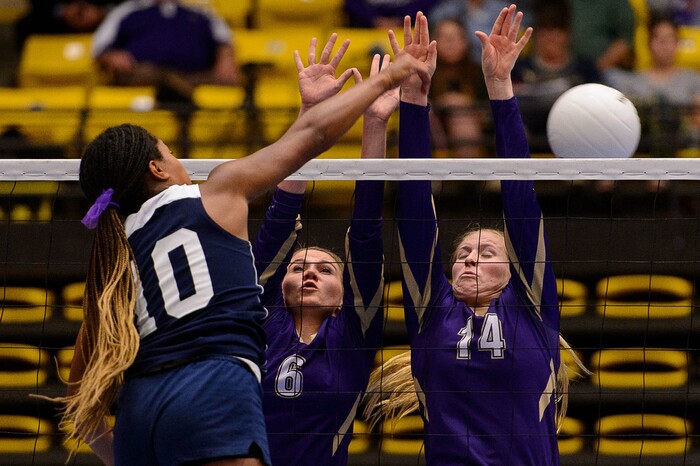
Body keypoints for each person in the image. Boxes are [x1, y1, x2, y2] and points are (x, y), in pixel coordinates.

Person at [57, 37, 430, 465]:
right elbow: (313, 137)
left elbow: (80, 402)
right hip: (212, 386)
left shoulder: (111, 257)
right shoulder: (216, 191)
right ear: (157, 170)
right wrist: (389, 74)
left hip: (141, 407)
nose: (181, 163)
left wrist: (121, 455)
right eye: (172, 154)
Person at [364, 6, 584, 464]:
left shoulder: (532, 309)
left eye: (485, 252)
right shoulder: (432, 311)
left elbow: (520, 200)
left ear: (513, 269)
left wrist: (500, 88)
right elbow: (414, 212)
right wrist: (415, 99)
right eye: (463, 252)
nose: (467, 259)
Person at [253, 33, 403, 465]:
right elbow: (278, 226)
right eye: (299, 267)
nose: (311, 272)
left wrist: (375, 125)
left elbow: (368, 233)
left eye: (326, 268)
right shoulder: (258, 321)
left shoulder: (353, 336)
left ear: (343, 297)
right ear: (280, 284)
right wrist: (309, 114)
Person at [91, 0, 241, 102]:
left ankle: (177, 89)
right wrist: (111, 56)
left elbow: (225, 39)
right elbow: (98, 47)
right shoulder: (127, 10)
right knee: (148, 73)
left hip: (194, 76)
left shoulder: (201, 11)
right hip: (144, 74)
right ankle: (180, 93)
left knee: (230, 80)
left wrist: (226, 58)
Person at [605, 13, 700, 158]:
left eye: (669, 39)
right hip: (640, 139)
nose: (664, 45)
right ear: (649, 43)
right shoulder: (631, 81)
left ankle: (657, 175)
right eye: (658, 39)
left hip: (681, 139)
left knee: (666, 118)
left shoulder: (694, 80)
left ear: (677, 42)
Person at [512, 0, 601, 152]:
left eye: (557, 31)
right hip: (529, 134)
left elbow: (598, 104)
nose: (551, 37)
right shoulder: (518, 67)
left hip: (578, 133)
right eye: (546, 31)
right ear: (536, 35)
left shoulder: (585, 68)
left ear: (568, 35)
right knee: (510, 129)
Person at [429, 16, 488, 158]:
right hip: (431, 127)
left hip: (476, 128)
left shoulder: (479, 72)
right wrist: (443, 104)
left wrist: (465, 104)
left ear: (465, 41)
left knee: (462, 119)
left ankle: (467, 178)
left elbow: (488, 114)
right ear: (433, 42)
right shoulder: (424, 72)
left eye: (455, 37)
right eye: (444, 37)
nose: (450, 43)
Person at [569, 0, 636, 72]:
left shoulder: (616, 3)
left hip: (605, 71)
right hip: (567, 69)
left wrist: (602, 65)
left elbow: (625, 39)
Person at [344, 0, 434, 29]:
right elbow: (351, 3)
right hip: (364, 25)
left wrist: (401, 19)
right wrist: (373, 19)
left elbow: (426, 2)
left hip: (412, 23)